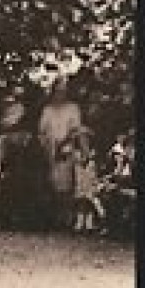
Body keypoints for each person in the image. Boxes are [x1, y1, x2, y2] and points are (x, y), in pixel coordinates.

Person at [0, 93, 49, 231]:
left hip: (26, 170)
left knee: (26, 191)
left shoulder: (29, 136)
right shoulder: (4, 138)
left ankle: (26, 221)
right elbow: (0, 157)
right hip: (12, 170)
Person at [39, 79, 86, 230]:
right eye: (58, 91)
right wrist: (47, 148)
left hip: (67, 149)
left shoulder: (73, 108)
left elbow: (76, 130)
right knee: (53, 185)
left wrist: (65, 143)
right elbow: (42, 131)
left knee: (67, 185)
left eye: (63, 91)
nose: (60, 94)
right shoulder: (47, 110)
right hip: (49, 150)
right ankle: (55, 220)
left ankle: (68, 219)